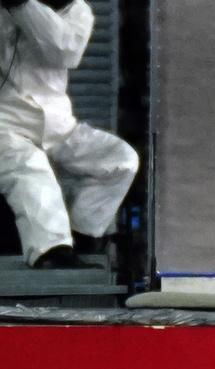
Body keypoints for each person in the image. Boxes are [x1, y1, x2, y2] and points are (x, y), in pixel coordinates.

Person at [0, 0, 138, 268]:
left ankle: (81, 235)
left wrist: (24, 6)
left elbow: (64, 52)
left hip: (58, 125)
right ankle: (51, 252)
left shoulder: (78, 10)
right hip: (5, 123)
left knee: (121, 160)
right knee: (30, 168)